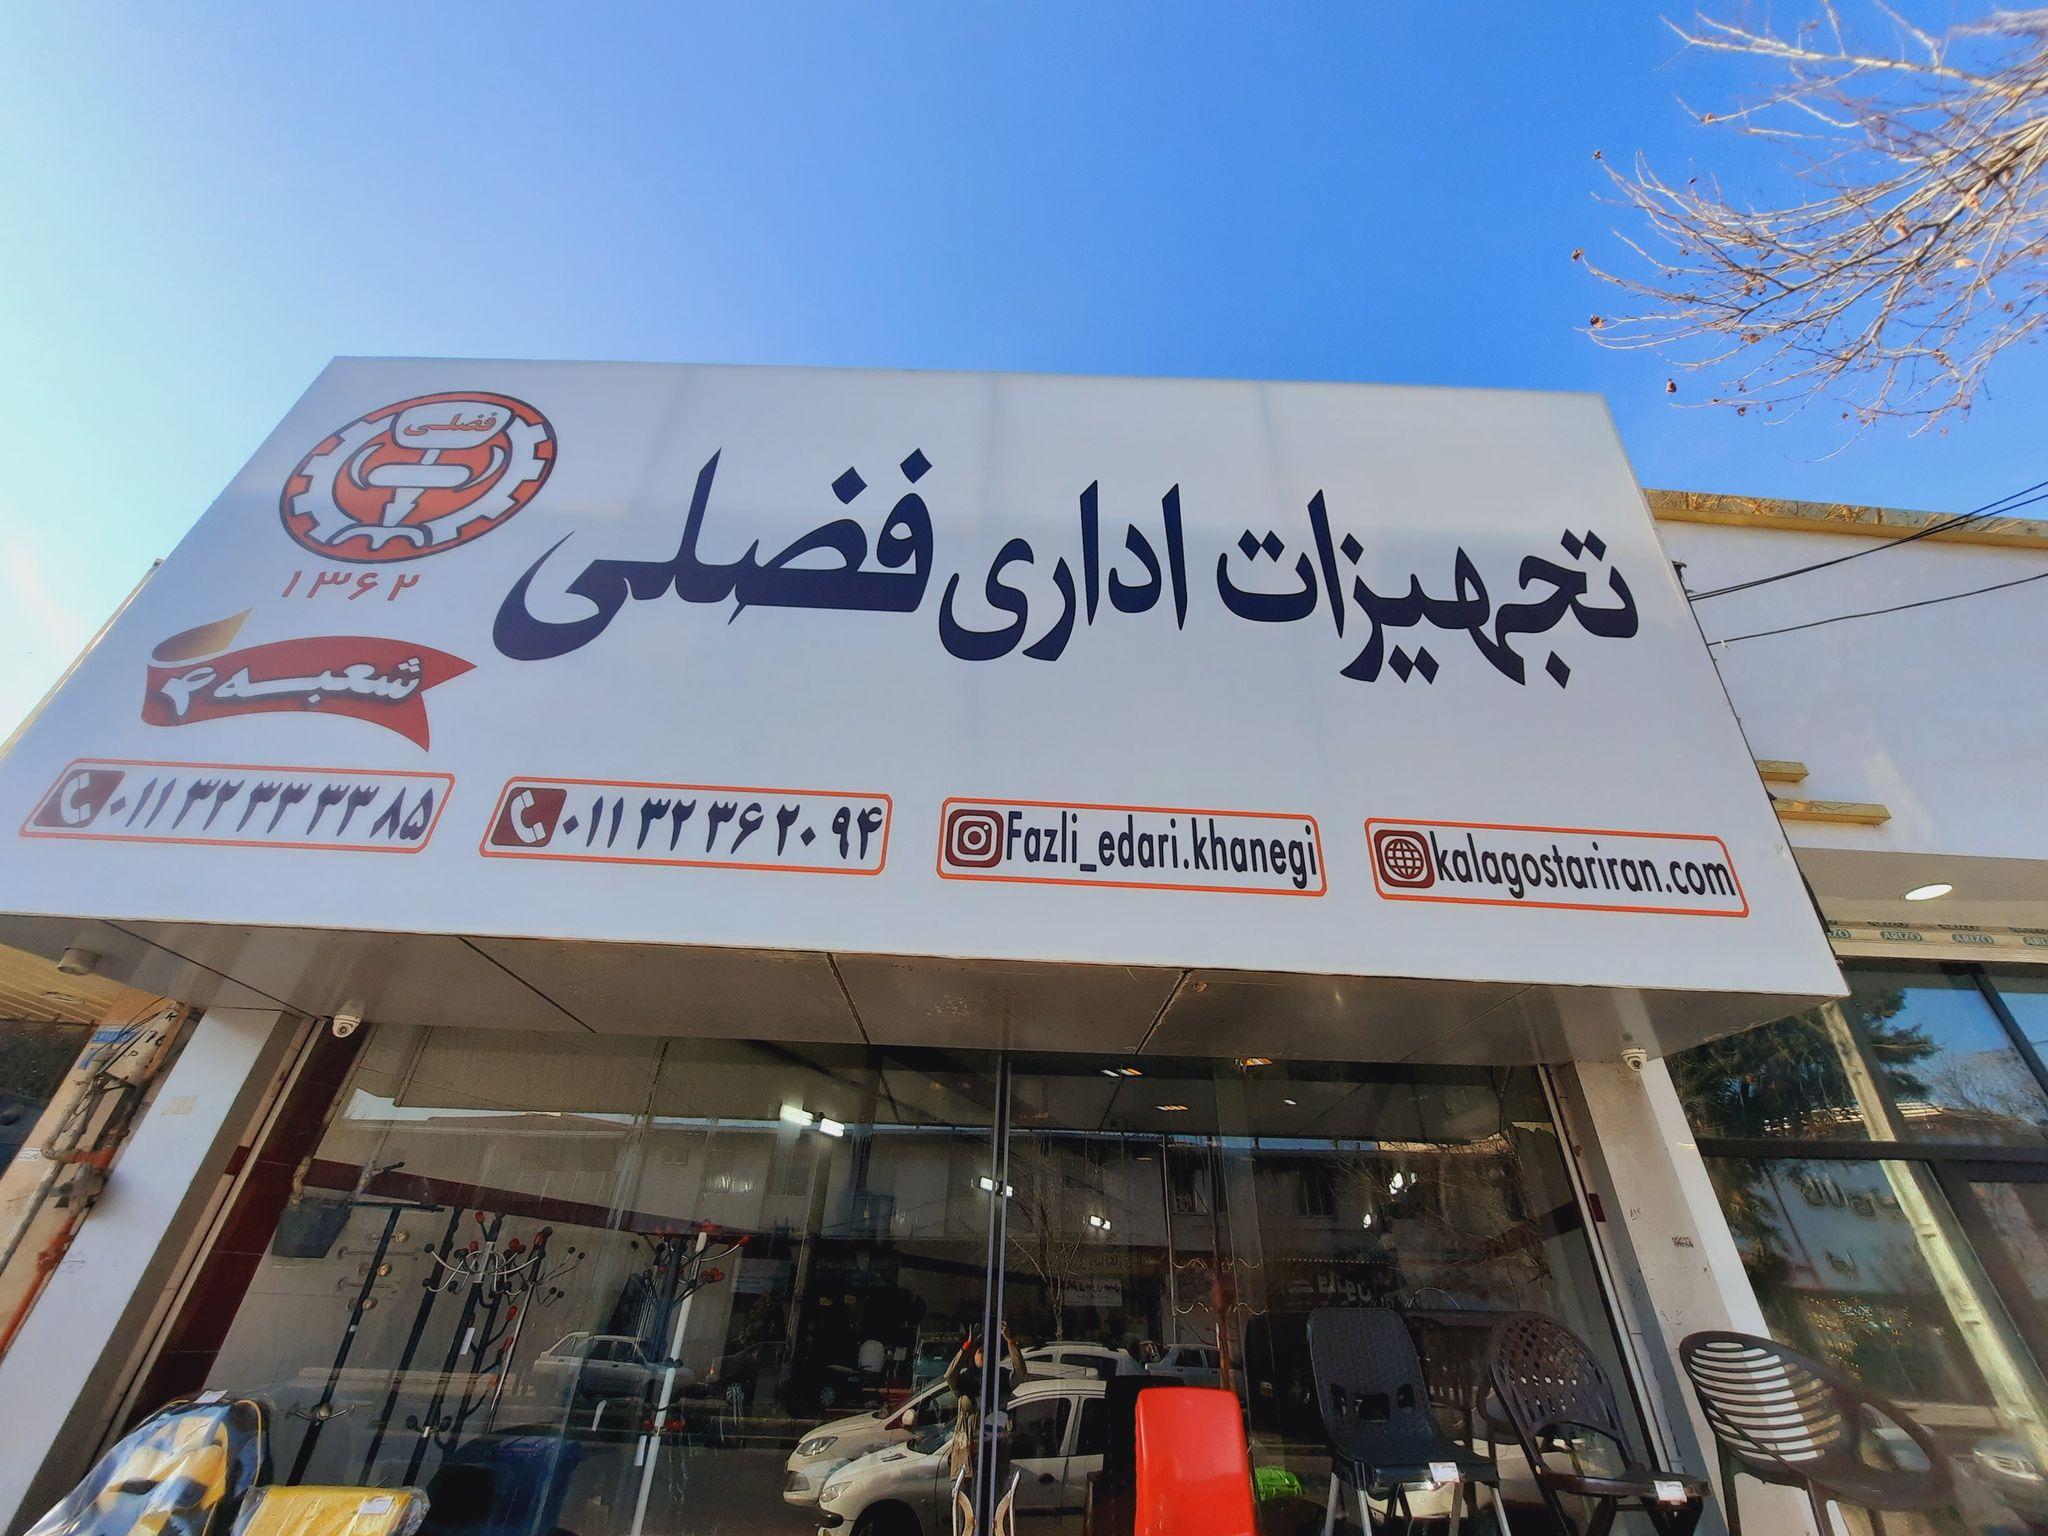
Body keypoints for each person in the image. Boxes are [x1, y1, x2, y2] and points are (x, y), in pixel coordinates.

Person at [943, 1322, 1028, 1487]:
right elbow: (949, 1375)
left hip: (992, 1454)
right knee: (964, 1496)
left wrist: (1010, 1341)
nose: (983, 1355)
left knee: (992, 1493)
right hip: (966, 1455)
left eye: (987, 1352)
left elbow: (1020, 1373)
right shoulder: (965, 1380)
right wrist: (967, 1345)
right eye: (979, 1351)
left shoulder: (1000, 1378)